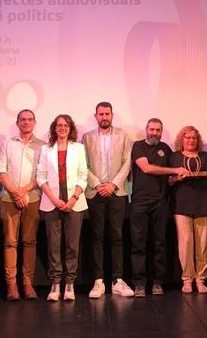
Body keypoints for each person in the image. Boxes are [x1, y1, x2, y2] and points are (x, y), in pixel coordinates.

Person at [130, 118, 189, 297]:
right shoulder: (138, 146)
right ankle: (139, 283)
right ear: (146, 130)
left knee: (159, 243)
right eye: (152, 129)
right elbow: (147, 168)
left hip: (161, 202)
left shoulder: (166, 149)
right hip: (140, 202)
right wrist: (175, 170)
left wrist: (178, 176)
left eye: (158, 130)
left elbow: (169, 180)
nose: (155, 133)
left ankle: (157, 282)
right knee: (138, 244)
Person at [82, 102, 134, 298]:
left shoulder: (123, 135)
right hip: (95, 193)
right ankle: (98, 281)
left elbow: (127, 162)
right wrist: (97, 184)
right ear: (96, 116)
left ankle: (117, 281)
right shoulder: (87, 137)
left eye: (107, 114)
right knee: (97, 237)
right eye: (101, 114)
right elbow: (83, 164)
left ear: (112, 115)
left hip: (116, 192)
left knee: (117, 236)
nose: (104, 117)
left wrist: (113, 184)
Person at [36, 114, 88, 302]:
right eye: (59, 125)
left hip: (74, 201)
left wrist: (73, 198)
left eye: (65, 125)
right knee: (54, 245)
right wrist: (53, 199)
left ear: (70, 128)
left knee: (72, 245)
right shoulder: (46, 149)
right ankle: (56, 284)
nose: (62, 128)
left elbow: (83, 175)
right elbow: (40, 176)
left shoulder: (78, 148)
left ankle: (70, 284)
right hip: (52, 202)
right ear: (54, 128)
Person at [0, 109, 45, 301]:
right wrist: (15, 193)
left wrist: (23, 191)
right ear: (17, 123)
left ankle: (27, 283)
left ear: (34, 122)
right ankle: (11, 285)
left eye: (29, 119)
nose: (26, 122)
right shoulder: (8, 144)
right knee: (10, 242)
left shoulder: (42, 146)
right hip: (9, 198)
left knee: (30, 241)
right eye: (22, 120)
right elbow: (1, 172)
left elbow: (42, 174)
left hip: (32, 198)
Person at [168, 126, 207, 294]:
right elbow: (168, 181)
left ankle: (201, 279)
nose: (191, 140)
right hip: (182, 205)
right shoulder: (174, 157)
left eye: (194, 137)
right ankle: (187, 279)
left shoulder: (205, 156)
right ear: (182, 139)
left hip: (203, 204)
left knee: (203, 244)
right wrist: (176, 178)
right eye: (187, 137)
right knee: (185, 244)